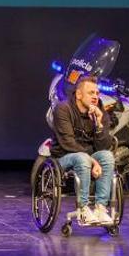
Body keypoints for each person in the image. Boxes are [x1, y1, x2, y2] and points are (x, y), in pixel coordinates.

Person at [50, 75, 116, 225]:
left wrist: (99, 124)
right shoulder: (63, 109)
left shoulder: (99, 112)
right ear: (79, 95)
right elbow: (68, 144)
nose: (95, 97)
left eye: (97, 93)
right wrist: (92, 160)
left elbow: (104, 146)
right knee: (81, 157)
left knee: (107, 156)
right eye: (91, 93)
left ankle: (100, 208)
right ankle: (83, 208)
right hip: (64, 157)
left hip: (89, 157)